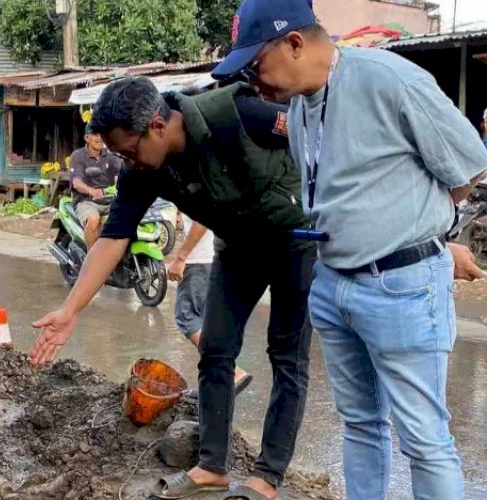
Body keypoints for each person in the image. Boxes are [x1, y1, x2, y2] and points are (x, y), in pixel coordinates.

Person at [212, 1, 487, 499]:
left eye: (257, 64)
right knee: (360, 424)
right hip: (335, 283)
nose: (254, 80)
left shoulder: (389, 80)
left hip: (400, 285)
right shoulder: (298, 107)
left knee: (424, 439)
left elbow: (467, 167)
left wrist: (418, 229)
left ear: (294, 43)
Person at [31, 76, 315, 500]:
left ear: (157, 127)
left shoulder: (238, 114)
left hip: (295, 242)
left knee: (286, 357)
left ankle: (267, 477)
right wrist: (71, 309)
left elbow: (319, 137)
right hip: (238, 247)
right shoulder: (141, 170)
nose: (127, 161)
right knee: (216, 349)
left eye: (128, 149)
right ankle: (212, 466)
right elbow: (113, 237)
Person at [169, 214, 252, 400]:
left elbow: (202, 220)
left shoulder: (196, 186)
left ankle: (232, 371)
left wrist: (181, 257)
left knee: (187, 317)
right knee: (207, 323)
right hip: (211, 259)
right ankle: (213, 383)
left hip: (197, 261)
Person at [69, 125, 122, 248]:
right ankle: (92, 259)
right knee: (93, 220)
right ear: (87, 138)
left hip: (109, 200)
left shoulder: (111, 156)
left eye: (102, 135)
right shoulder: (78, 156)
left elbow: (119, 176)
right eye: (95, 135)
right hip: (86, 201)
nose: (100, 138)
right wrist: (91, 190)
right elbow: (76, 182)